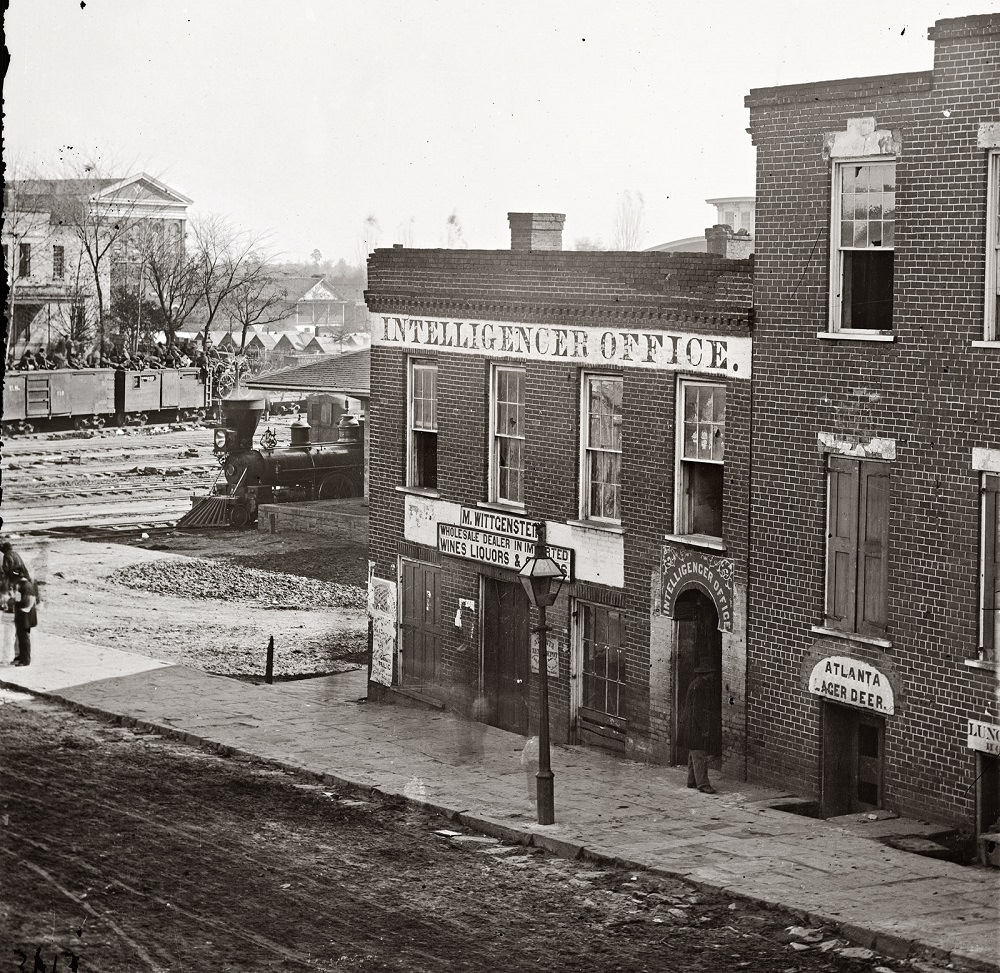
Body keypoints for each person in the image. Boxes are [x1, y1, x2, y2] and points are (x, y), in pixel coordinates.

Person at [679, 663, 717, 794]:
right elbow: (698, 711)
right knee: (699, 754)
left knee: (693, 753)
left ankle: (692, 780)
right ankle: (703, 784)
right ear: (707, 674)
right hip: (694, 727)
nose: (713, 675)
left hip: (689, 726)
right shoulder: (700, 687)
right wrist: (704, 728)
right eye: (712, 673)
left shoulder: (696, 684)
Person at [9, 569, 37, 667]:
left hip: (25, 616)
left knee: (24, 638)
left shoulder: (26, 586)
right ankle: (21, 657)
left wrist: (25, 609)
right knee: (20, 637)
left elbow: (31, 599)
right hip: (21, 615)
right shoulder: (22, 585)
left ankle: (25, 660)